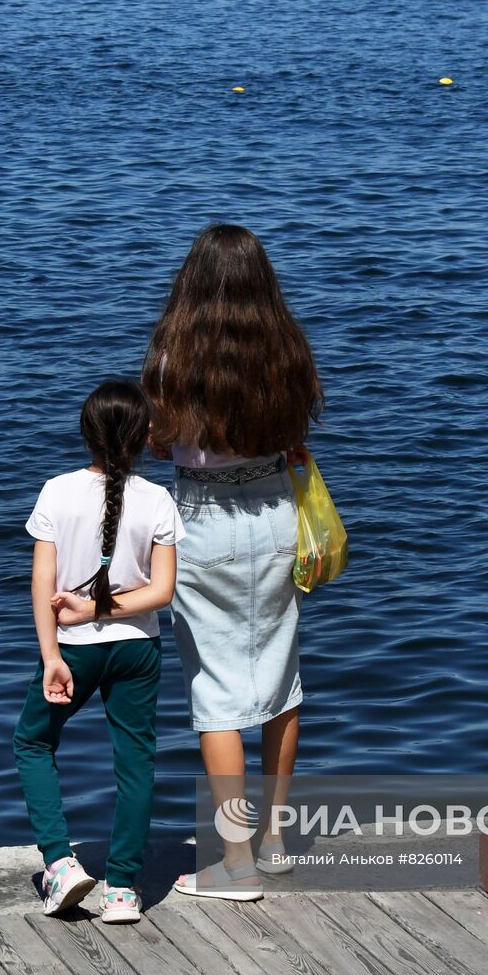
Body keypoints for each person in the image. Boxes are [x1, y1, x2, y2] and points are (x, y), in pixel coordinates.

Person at [141, 224, 323, 900]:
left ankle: (235, 860)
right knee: (281, 678)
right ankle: (273, 842)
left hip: (202, 520)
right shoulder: (286, 348)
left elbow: (158, 441)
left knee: (215, 692)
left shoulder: (170, 355)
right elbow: (297, 430)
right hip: (276, 511)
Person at [13, 380, 184, 923]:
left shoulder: (56, 492)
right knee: (135, 761)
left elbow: (42, 587)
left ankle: (61, 865)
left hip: (73, 649)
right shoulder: (157, 499)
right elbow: (162, 593)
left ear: (86, 433)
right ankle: (123, 890)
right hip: (138, 647)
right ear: (141, 438)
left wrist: (55, 651)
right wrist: (105, 611)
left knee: (33, 742)